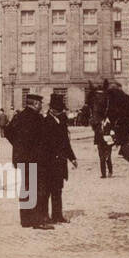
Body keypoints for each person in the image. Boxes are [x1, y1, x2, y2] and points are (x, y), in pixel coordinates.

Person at [5, 93, 52, 229]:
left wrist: (18, 146)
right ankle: (37, 221)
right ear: (36, 104)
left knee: (26, 188)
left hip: (21, 158)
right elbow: (43, 140)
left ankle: (25, 220)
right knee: (37, 189)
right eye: (40, 104)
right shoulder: (37, 119)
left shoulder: (19, 116)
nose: (41, 106)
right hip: (35, 159)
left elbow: (7, 131)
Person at [42, 94, 77, 223]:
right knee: (47, 191)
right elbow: (45, 145)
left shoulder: (61, 121)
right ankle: (45, 216)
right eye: (59, 109)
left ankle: (57, 215)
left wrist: (72, 158)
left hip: (60, 162)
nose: (62, 112)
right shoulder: (46, 122)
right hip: (49, 163)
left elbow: (65, 143)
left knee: (57, 189)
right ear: (52, 109)